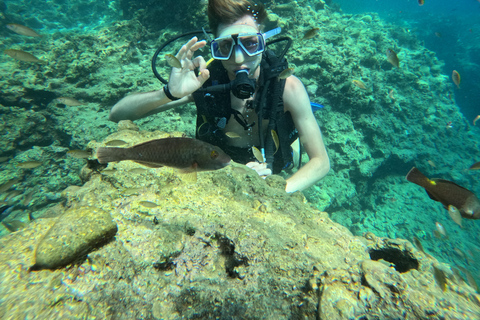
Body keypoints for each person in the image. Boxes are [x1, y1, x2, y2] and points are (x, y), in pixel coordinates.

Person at [109, 0, 330, 193]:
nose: (239, 58)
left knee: (295, 144)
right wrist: (169, 93)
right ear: (214, 48)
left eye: (251, 43)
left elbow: (320, 162)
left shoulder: (288, 87)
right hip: (218, 166)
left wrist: (274, 189)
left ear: (263, 41)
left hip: (273, 164)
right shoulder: (205, 82)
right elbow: (117, 115)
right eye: (225, 46)